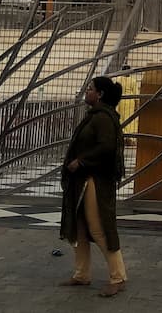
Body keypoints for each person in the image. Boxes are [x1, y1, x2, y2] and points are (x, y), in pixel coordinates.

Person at [59, 76, 127, 297]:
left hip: (94, 181)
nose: (86, 92)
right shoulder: (96, 116)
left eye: (90, 89)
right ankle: (81, 274)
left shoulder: (103, 118)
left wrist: (81, 161)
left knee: (99, 229)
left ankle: (118, 276)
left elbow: (106, 148)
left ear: (100, 95)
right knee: (80, 229)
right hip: (83, 180)